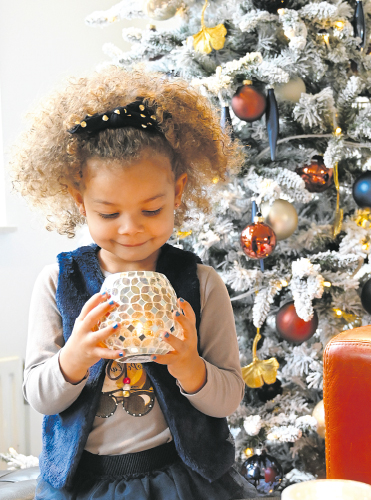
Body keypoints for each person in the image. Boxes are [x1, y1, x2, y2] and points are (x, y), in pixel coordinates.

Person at [12, 66, 258, 500]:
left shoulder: (200, 284)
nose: (130, 230)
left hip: (182, 478)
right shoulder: (58, 282)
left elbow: (228, 398)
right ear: (79, 200)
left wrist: (190, 367)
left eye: (151, 209)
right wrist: (74, 358)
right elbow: (39, 395)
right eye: (109, 213)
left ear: (178, 193)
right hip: (83, 482)